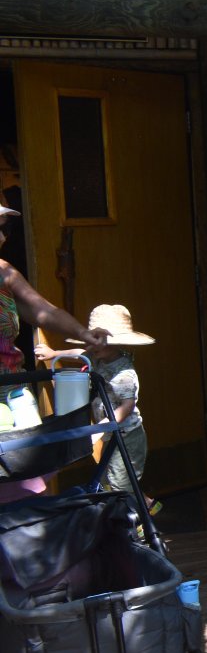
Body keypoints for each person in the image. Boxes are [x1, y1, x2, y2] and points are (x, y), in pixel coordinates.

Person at [0, 206, 108, 503]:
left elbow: (43, 311)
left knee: (29, 477)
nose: (1, 237)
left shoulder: (4, 272)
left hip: (13, 392)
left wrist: (84, 333)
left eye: (3, 228)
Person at [38, 303, 155, 506]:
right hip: (112, 433)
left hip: (128, 436)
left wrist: (100, 430)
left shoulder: (124, 372)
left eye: (100, 341)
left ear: (115, 342)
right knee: (111, 479)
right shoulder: (98, 356)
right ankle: (148, 506)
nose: (93, 346)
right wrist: (54, 353)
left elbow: (127, 406)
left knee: (120, 484)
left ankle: (136, 526)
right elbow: (79, 353)